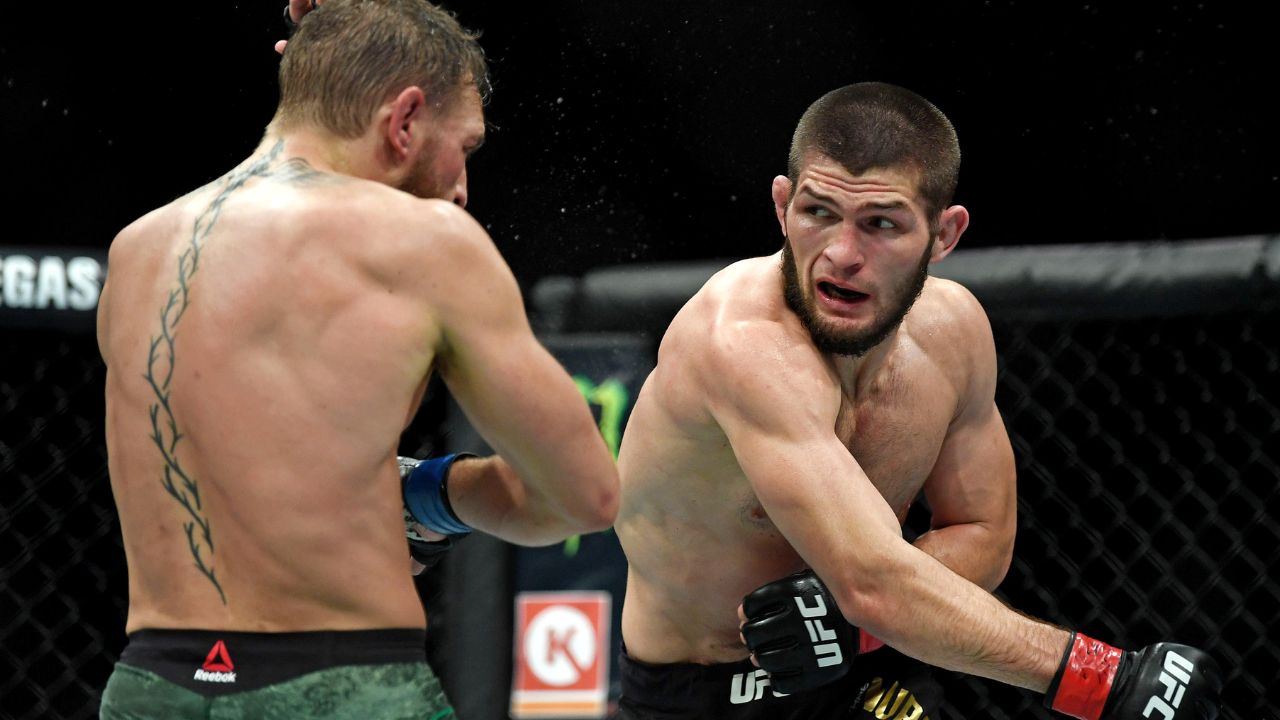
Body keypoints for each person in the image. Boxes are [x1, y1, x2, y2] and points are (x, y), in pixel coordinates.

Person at [612, 82, 1221, 719]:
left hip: (874, 678)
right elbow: (872, 583)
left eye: (881, 224)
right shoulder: (738, 342)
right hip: (704, 698)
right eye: (818, 212)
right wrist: (1106, 681)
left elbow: (982, 535)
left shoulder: (953, 334)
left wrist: (853, 628)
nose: (842, 255)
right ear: (782, 205)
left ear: (943, 234)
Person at [95, 1, 619, 717]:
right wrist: (428, 494)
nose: (463, 185)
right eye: (462, 146)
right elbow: (585, 494)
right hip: (340, 684)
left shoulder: (135, 252)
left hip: (150, 686)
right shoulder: (426, 241)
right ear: (403, 120)